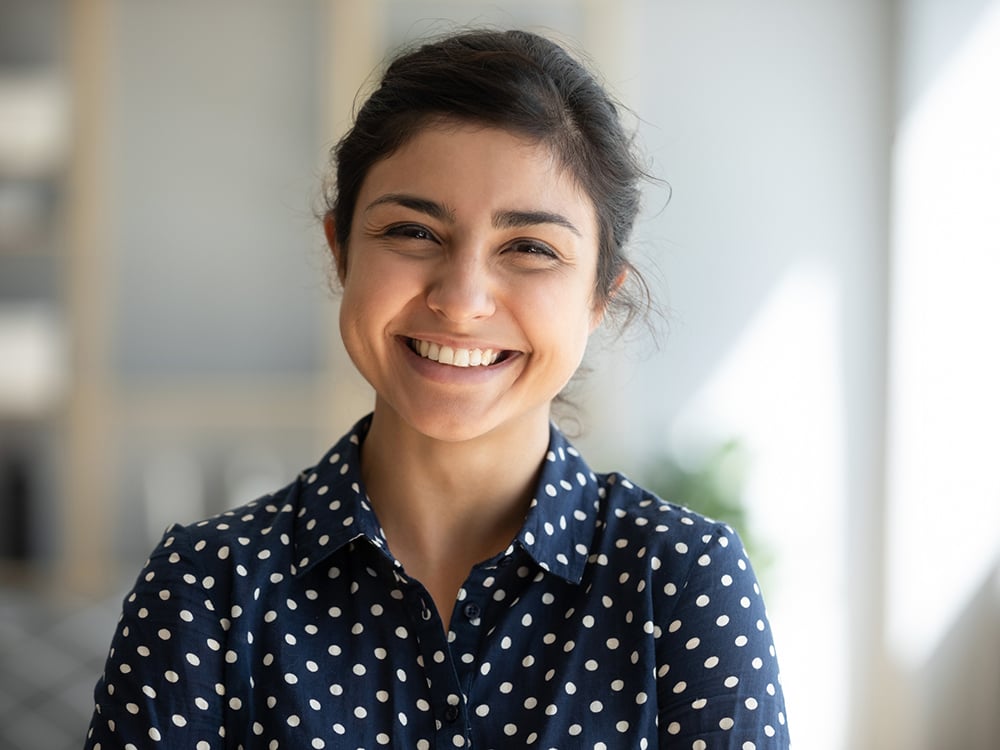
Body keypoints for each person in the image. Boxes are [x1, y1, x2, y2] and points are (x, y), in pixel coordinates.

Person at [84, 28, 789, 749]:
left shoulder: (681, 582)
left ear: (600, 295)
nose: (461, 299)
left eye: (530, 248)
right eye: (414, 232)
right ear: (340, 249)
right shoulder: (207, 588)